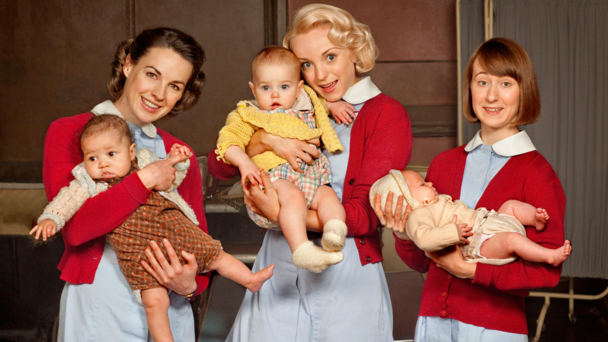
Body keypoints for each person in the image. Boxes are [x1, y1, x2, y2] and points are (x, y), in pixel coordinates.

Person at [209, 4, 412, 341]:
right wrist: (263, 141)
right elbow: (219, 167)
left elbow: (365, 216)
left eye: (330, 57)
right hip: (276, 265)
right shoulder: (285, 101)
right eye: (306, 64)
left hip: (346, 271)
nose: (320, 75)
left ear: (355, 51)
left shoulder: (386, 114)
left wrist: (280, 212)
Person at [376, 37, 566, 341]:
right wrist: (403, 234)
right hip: (432, 325)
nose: (492, 95)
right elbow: (423, 261)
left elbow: (547, 271)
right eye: (482, 82)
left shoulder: (538, 173)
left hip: (494, 329)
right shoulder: (444, 164)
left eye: (505, 83)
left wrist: (474, 272)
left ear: (523, 91)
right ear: (470, 89)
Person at [32, 115, 274, 342]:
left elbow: (174, 177)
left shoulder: (148, 159)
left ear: (131, 152)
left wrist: (177, 162)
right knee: (154, 301)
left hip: (177, 234)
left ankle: (250, 279)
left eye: (111, 154)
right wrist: (50, 219)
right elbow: (66, 202)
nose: (102, 163)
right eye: (92, 158)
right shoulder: (87, 181)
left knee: (217, 255)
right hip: (139, 256)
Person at [43, 27, 210, 341]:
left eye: (174, 85)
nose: (159, 94)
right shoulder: (69, 132)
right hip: (100, 309)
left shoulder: (179, 154)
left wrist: (190, 285)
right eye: (151, 74)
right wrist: (146, 178)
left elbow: (200, 244)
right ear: (128, 65)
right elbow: (77, 229)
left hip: (170, 313)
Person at [216, 46, 353, 273]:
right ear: (253, 89)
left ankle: (334, 233)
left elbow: (320, 103)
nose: (275, 95)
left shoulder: (306, 101)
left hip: (311, 179)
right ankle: (301, 249)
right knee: (294, 198)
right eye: (266, 87)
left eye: (284, 87)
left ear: (299, 89)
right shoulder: (248, 113)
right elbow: (227, 142)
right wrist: (245, 162)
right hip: (274, 182)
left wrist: (333, 105)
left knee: (329, 197)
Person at [371, 169, 571, 267]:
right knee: (512, 240)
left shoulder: (434, 201)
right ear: (408, 202)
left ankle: (534, 219)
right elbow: (424, 239)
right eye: (422, 185)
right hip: (478, 242)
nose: (430, 183)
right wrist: (452, 232)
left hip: (488, 221)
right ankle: (549, 256)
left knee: (510, 206)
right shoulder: (418, 215)